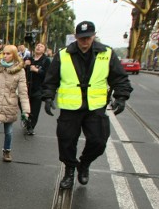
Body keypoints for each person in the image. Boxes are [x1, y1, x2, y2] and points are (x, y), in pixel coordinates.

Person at [42, 20, 132, 189]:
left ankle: (84, 163)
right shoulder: (63, 54)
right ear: (76, 37)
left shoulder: (107, 53)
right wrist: (48, 97)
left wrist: (121, 97)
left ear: (94, 36)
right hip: (70, 108)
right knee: (66, 142)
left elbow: (119, 78)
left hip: (95, 107)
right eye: (81, 38)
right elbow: (51, 79)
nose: (84, 41)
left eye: (88, 38)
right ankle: (69, 170)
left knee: (98, 141)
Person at [0, 45, 30, 171]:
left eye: (8, 54)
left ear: (14, 55)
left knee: (8, 132)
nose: (5, 56)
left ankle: (7, 151)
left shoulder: (20, 71)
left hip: (10, 105)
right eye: (4, 53)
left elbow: (23, 92)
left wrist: (26, 111)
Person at [23, 42, 50, 135]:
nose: (38, 47)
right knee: (26, 108)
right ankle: (26, 121)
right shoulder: (28, 59)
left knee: (35, 109)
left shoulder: (46, 60)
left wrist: (37, 70)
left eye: (41, 46)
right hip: (26, 88)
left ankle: (31, 126)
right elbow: (21, 71)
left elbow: (48, 74)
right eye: (37, 46)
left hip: (38, 88)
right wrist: (24, 65)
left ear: (44, 50)